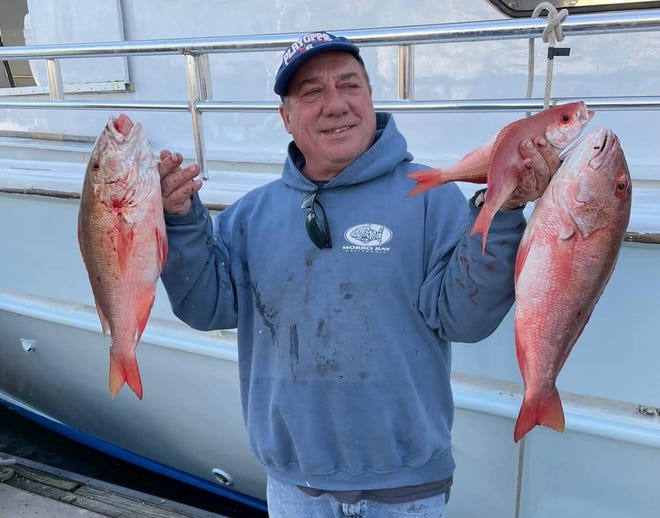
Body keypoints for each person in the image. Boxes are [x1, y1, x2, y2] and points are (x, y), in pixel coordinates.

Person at [158, 31, 559, 518]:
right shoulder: (248, 216)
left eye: (350, 86)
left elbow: (466, 322)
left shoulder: (433, 198)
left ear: (370, 98)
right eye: (312, 92)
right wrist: (180, 220)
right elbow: (205, 307)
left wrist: (505, 207)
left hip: (407, 489)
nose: (336, 105)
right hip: (294, 485)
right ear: (286, 118)